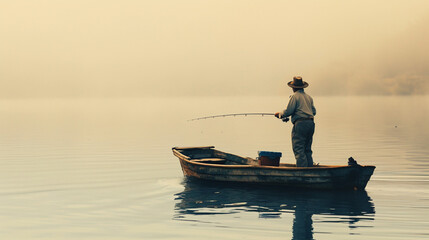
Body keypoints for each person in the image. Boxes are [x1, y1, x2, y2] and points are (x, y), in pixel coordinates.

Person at [275, 76, 316, 167]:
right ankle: (310, 170)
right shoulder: (309, 97)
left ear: (293, 87)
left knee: (299, 149)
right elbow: (314, 112)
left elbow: (288, 111)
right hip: (311, 123)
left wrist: (279, 114)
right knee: (307, 149)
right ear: (302, 87)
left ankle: (302, 172)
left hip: (301, 124)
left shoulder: (294, 96)